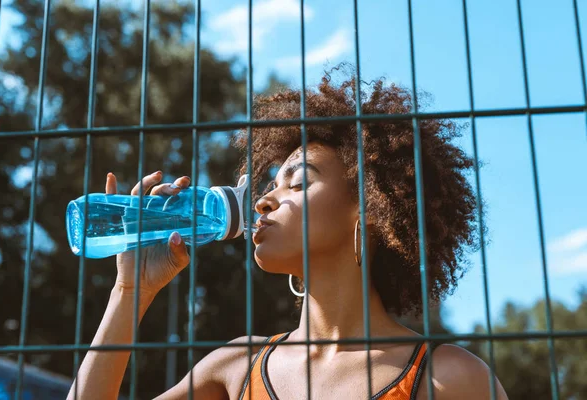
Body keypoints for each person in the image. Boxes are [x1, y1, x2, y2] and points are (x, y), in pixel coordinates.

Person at [68, 71, 509, 400]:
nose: (262, 202)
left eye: (298, 183)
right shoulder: (238, 366)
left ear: (373, 208)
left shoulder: (449, 378)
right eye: (270, 186)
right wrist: (131, 290)